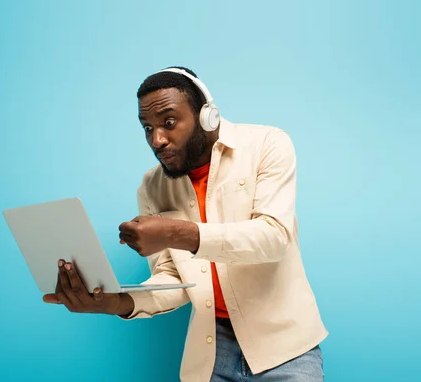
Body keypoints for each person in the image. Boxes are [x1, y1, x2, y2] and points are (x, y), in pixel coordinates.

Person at [43, 66, 328, 382]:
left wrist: (174, 233)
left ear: (207, 116)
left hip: (287, 348)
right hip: (211, 354)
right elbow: (173, 279)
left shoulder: (267, 145)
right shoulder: (152, 186)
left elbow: (273, 238)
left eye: (168, 122)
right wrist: (114, 302)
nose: (157, 139)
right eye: (147, 128)